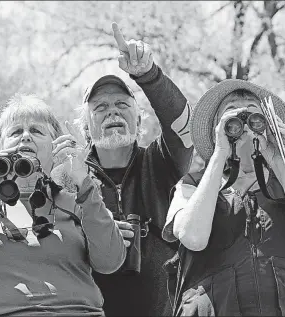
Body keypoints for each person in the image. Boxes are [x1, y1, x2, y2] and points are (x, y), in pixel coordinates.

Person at [0, 93, 126, 316]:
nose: (25, 137)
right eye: (16, 132)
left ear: (54, 148)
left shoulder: (78, 201)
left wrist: (83, 181)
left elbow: (111, 261)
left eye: (36, 131)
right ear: (0, 147)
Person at [162, 79, 285, 316]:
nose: (244, 120)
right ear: (218, 129)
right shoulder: (191, 184)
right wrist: (219, 155)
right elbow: (193, 237)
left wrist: (280, 165)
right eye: (232, 114)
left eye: (255, 115)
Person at [69, 22, 194, 316]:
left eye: (123, 105)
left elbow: (184, 127)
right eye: (100, 108)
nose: (112, 111)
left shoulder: (161, 162)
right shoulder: (70, 177)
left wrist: (148, 75)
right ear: (85, 127)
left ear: (140, 119)